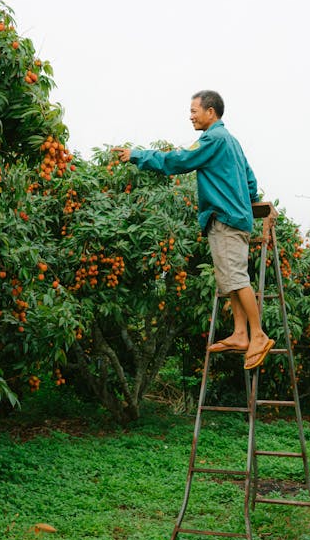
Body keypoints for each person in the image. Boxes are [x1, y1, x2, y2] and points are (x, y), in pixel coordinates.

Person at [114, 90, 274, 370]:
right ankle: (240, 333)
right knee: (229, 279)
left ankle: (258, 335)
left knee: (236, 277)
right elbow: (250, 180)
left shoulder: (212, 139)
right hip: (235, 217)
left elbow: (179, 161)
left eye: (194, 111)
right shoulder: (232, 142)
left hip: (225, 219)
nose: (190, 116)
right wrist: (244, 204)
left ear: (210, 112)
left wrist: (137, 155)